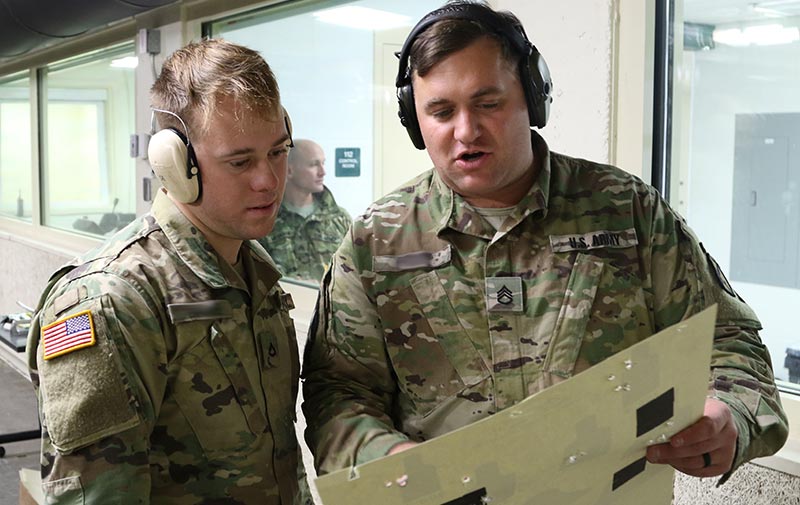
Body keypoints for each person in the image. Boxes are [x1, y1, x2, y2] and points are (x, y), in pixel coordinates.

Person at [302, 0, 788, 485]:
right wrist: (398, 463)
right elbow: (339, 393)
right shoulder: (377, 240)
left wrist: (729, 414)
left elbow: (726, 341)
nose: (466, 130)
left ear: (533, 97)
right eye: (441, 111)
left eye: (488, 103)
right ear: (415, 121)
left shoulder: (627, 211)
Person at [26, 39, 311, 504]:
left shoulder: (253, 270)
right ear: (175, 164)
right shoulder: (111, 302)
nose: (270, 179)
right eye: (240, 161)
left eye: (278, 152)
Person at [259, 138, 351, 282]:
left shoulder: (339, 218)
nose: (323, 172)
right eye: (314, 165)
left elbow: (353, 273)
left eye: (323, 163)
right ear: (289, 170)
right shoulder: (264, 220)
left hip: (330, 303)